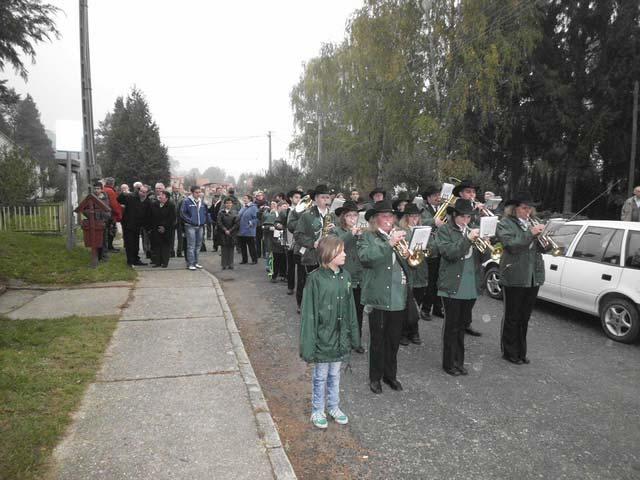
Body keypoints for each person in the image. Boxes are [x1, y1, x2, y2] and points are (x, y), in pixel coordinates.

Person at [299, 236, 360, 429]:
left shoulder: (346, 277)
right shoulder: (315, 278)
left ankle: (334, 406)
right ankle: (317, 409)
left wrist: (353, 336)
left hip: (340, 336)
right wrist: (309, 345)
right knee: (320, 375)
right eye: (341, 251)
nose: (345, 254)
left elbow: (351, 308)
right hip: (323, 338)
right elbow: (309, 315)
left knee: (335, 374)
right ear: (329, 254)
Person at [358, 200, 415, 394]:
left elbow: (410, 266)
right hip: (378, 296)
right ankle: (375, 378)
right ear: (375, 219)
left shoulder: (400, 237)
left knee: (393, 340)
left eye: (391, 216)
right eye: (384, 216)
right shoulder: (367, 237)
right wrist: (389, 244)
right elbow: (366, 258)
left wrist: (409, 254)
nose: (389, 219)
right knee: (378, 341)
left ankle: (390, 376)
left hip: (398, 296)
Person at [496, 191, 546, 365]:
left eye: (530, 209)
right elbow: (511, 246)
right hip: (514, 274)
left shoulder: (534, 223)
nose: (528, 212)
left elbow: (543, 249)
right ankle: (509, 351)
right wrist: (531, 234)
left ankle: (521, 351)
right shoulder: (505, 224)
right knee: (512, 315)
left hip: (533, 276)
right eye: (524, 208)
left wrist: (545, 238)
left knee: (525, 316)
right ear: (514, 209)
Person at [435, 199, 484, 376]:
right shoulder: (444, 231)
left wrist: (485, 242)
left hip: (470, 284)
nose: (466, 220)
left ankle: (459, 362)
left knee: (462, 325)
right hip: (452, 284)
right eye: (463, 216)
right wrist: (467, 240)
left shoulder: (471, 230)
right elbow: (450, 253)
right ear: (455, 215)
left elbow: (484, 257)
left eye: (469, 216)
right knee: (452, 325)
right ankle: (449, 363)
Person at [330, 200, 365, 353]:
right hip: (343, 276)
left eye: (355, 215)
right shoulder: (336, 231)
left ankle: (356, 340)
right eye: (349, 216)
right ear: (343, 217)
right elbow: (336, 246)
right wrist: (351, 234)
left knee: (358, 311)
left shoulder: (362, 231)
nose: (352, 219)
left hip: (360, 276)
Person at [451, 179, 483, 336]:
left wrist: (480, 214)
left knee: (471, 292)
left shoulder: (476, 208)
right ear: (461, 194)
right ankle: (458, 322)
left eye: (474, 192)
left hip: (472, 259)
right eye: (469, 192)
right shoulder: (453, 208)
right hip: (456, 252)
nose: (472, 195)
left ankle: (466, 322)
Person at [397, 203, 424, 346]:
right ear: (406, 217)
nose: (415, 219)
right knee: (406, 303)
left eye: (417, 216)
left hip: (421, 272)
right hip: (408, 270)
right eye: (412, 216)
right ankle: (404, 332)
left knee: (417, 302)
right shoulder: (402, 231)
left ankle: (414, 330)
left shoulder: (423, 230)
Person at [420, 184, 445, 319]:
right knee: (430, 281)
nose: (438, 197)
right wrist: (433, 221)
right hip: (430, 249)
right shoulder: (422, 209)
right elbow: (419, 222)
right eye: (435, 195)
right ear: (428, 198)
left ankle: (437, 307)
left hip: (442, 248)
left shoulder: (444, 209)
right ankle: (425, 308)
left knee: (440, 281)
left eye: (439, 195)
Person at [118, 184, 150, 267]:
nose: (142, 193)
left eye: (144, 192)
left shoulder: (147, 201)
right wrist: (123, 193)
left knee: (136, 244)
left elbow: (147, 214)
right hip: (128, 224)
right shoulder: (131, 197)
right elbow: (119, 200)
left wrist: (147, 226)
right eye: (141, 191)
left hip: (138, 225)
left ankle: (136, 259)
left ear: (147, 193)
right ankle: (130, 261)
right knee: (129, 243)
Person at [180, 185, 209, 271]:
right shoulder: (186, 201)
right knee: (191, 245)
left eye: (199, 192)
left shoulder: (202, 202)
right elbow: (182, 213)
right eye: (196, 192)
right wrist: (190, 221)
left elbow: (205, 212)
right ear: (192, 193)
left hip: (200, 226)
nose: (198, 194)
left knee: (198, 245)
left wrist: (205, 221)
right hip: (190, 226)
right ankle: (190, 263)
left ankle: (196, 262)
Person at [149, 190, 176, 268]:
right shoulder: (155, 204)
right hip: (156, 228)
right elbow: (152, 216)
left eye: (162, 195)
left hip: (167, 229)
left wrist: (164, 227)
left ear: (167, 198)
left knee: (165, 246)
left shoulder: (171, 205)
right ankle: (157, 262)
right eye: (159, 195)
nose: (160, 196)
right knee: (157, 245)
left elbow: (172, 218)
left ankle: (165, 262)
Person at [285, 190, 303, 295]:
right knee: (291, 266)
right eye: (296, 197)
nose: (298, 199)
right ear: (291, 199)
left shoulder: (303, 211)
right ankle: (290, 287)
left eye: (300, 197)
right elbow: (283, 225)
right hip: (289, 241)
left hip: (299, 242)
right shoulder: (287, 210)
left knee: (301, 268)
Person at [217, 198, 239, 270]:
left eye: (230, 203)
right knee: (224, 249)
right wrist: (225, 230)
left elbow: (237, 223)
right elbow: (219, 222)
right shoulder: (221, 212)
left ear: (232, 204)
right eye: (227, 203)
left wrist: (230, 230)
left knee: (231, 249)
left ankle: (230, 264)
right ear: (224, 204)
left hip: (232, 233)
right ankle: (224, 264)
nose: (228, 204)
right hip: (223, 233)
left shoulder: (235, 212)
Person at [270, 201, 289, 282]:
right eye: (284, 206)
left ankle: (283, 275)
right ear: (279, 207)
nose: (286, 208)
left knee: (284, 259)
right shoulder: (274, 214)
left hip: (284, 239)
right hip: (275, 239)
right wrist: (277, 226)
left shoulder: (288, 215)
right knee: (276, 259)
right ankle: (273, 276)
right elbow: (273, 224)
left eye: (286, 206)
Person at [103, 178, 123, 252]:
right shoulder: (110, 191)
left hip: (104, 214)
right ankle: (110, 247)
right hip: (111, 214)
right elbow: (113, 204)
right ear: (112, 183)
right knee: (111, 231)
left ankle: (107, 246)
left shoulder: (104, 189)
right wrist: (118, 213)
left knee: (106, 231)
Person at [238, 194, 259, 264]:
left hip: (249, 230)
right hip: (241, 230)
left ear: (250, 199)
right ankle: (244, 260)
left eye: (245, 198)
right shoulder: (243, 207)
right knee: (243, 246)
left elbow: (257, 218)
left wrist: (251, 222)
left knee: (251, 246)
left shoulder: (253, 207)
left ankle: (254, 260)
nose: (244, 199)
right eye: (243, 198)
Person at [170, 185, 184, 257]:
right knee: (171, 236)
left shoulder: (183, 197)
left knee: (180, 237)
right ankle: (171, 252)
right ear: (172, 189)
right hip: (171, 218)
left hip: (180, 219)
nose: (176, 189)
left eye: (178, 188)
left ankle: (179, 252)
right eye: (175, 188)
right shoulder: (169, 196)